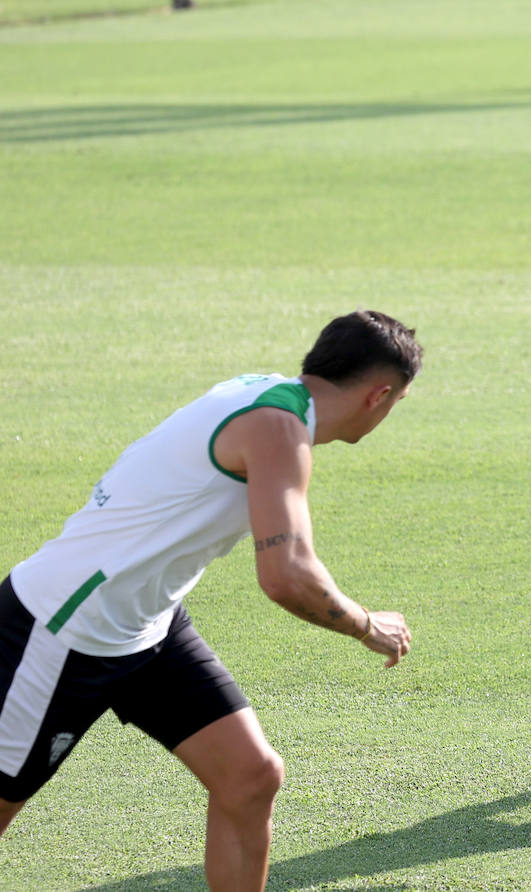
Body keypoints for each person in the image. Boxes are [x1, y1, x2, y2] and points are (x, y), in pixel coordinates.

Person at [0, 310, 422, 889]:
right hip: (61, 630)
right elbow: (288, 576)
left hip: (145, 624)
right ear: (381, 395)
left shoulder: (265, 394)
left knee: (251, 777)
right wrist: (365, 624)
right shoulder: (277, 427)